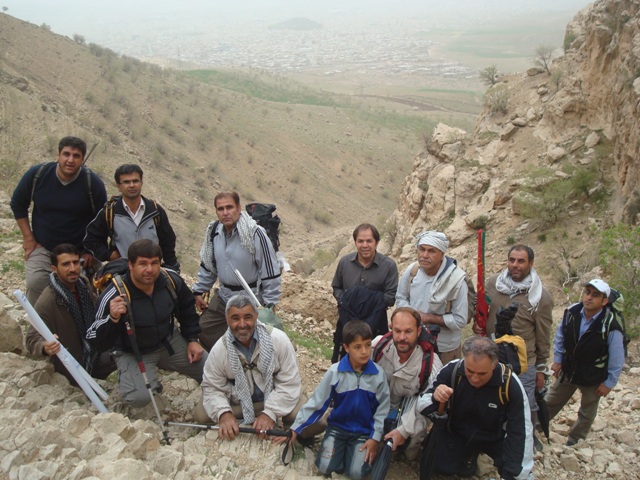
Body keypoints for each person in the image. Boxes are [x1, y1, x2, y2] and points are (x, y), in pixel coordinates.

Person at [86, 239, 206, 408]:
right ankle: (133, 377)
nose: (149, 269)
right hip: (133, 351)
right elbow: (94, 337)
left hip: (168, 341)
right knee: (138, 397)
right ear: (130, 265)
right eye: (142, 263)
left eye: (154, 263)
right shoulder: (115, 293)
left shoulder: (169, 281)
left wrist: (193, 339)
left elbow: (187, 309)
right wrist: (112, 319)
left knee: (210, 370)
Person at [418, 336, 533, 480]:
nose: (475, 379)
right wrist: (436, 397)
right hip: (457, 433)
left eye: (482, 374)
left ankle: (481, 460)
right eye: (470, 371)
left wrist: (515, 472)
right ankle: (469, 460)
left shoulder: (510, 384)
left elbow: (521, 430)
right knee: (439, 466)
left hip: (492, 439)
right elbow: (422, 403)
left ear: (494, 364)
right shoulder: (454, 370)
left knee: (519, 474)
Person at [10, 136, 107, 305]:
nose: (70, 160)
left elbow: (102, 220)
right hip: (44, 247)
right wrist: (28, 238)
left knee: (82, 289)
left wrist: (89, 251)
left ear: (82, 159)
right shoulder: (38, 175)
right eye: (66, 154)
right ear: (58, 155)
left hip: (78, 250)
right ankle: (39, 329)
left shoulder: (93, 184)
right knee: (35, 284)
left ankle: (83, 328)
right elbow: (18, 203)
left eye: (76, 156)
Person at [474, 244, 553, 450]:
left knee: (525, 402)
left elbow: (543, 334)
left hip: (524, 361)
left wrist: (542, 368)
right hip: (493, 356)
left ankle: (527, 439)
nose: (515, 265)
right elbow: (483, 310)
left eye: (521, 261)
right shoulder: (494, 283)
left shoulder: (540, 297)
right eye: (512, 260)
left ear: (531, 263)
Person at [289, 320, 390, 479]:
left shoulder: (378, 375)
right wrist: (296, 428)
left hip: (364, 432)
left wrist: (374, 438)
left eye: (368, 345)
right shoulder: (335, 372)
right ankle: (342, 452)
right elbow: (317, 403)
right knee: (324, 467)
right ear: (346, 348)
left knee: (356, 474)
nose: (364, 351)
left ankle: (358, 454)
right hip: (338, 429)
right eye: (357, 347)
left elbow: (382, 410)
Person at [194, 293, 304, 438]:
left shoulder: (278, 340)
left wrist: (270, 413)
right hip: (239, 402)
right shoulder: (219, 349)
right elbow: (212, 387)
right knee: (201, 415)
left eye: (247, 317)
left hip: (273, 397)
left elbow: (290, 383)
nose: (242, 324)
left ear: (256, 316)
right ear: (226, 319)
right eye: (235, 318)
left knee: (305, 415)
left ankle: (293, 433)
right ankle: (242, 417)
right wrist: (224, 414)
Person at [192, 191, 281, 350]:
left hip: (250, 297)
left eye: (229, 207)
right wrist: (199, 290)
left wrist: (269, 305)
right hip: (224, 295)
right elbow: (209, 265)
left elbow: (271, 273)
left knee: (256, 340)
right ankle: (225, 361)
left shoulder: (255, 233)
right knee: (203, 329)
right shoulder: (213, 232)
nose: (225, 212)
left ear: (239, 208)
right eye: (220, 209)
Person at [546, 279, 625, 446]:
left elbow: (617, 356)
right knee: (551, 400)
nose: (589, 297)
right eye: (587, 292)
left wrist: (609, 383)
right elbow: (560, 336)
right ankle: (537, 427)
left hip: (593, 374)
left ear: (604, 301)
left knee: (587, 410)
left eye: (595, 295)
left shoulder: (610, 324)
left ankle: (575, 440)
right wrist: (558, 360)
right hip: (569, 368)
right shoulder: (572, 312)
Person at [25, 244, 116, 383]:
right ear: (54, 269)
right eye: (66, 264)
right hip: (72, 365)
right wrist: (45, 346)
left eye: (75, 263)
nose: (73, 269)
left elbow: (97, 306)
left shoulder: (82, 284)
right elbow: (31, 338)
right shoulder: (48, 300)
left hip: (94, 350)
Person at [372, 307, 443, 460]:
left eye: (408, 331)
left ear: (418, 331)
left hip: (408, 411)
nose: (402, 337)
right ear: (391, 329)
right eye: (397, 331)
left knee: (405, 451)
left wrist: (404, 431)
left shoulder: (431, 364)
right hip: (377, 405)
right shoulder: (379, 346)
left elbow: (431, 406)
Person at [83, 164, 180, 271]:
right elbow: (91, 239)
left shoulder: (155, 211)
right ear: (119, 187)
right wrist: (109, 255)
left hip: (152, 273)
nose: (132, 185)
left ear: (141, 183)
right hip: (123, 274)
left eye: (135, 181)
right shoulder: (110, 213)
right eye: (126, 182)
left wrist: (171, 267)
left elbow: (168, 241)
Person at [396, 231, 469, 364]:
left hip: (444, 348)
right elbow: (401, 297)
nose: (425, 255)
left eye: (431, 251)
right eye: (422, 249)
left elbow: (460, 320)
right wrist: (411, 315)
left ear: (442, 254)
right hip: (415, 343)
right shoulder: (413, 271)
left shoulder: (456, 280)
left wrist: (428, 318)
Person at [331, 224, 398, 360]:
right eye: (360, 241)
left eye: (369, 241)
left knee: (375, 362)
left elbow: (390, 297)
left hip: (376, 324)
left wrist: (365, 302)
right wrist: (346, 301)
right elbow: (337, 287)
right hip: (347, 322)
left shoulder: (388, 266)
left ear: (377, 242)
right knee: (342, 362)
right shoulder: (345, 263)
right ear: (355, 242)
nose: (364, 245)